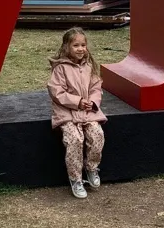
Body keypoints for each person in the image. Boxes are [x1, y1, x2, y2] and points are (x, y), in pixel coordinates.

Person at [47, 27, 107, 199]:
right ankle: (76, 179)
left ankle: (91, 168)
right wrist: (77, 101)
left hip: (88, 112)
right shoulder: (60, 68)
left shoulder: (90, 67)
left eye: (83, 45)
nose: (80, 49)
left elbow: (96, 88)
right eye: (76, 45)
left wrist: (92, 102)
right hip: (66, 113)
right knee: (74, 139)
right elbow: (56, 92)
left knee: (97, 134)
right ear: (66, 47)